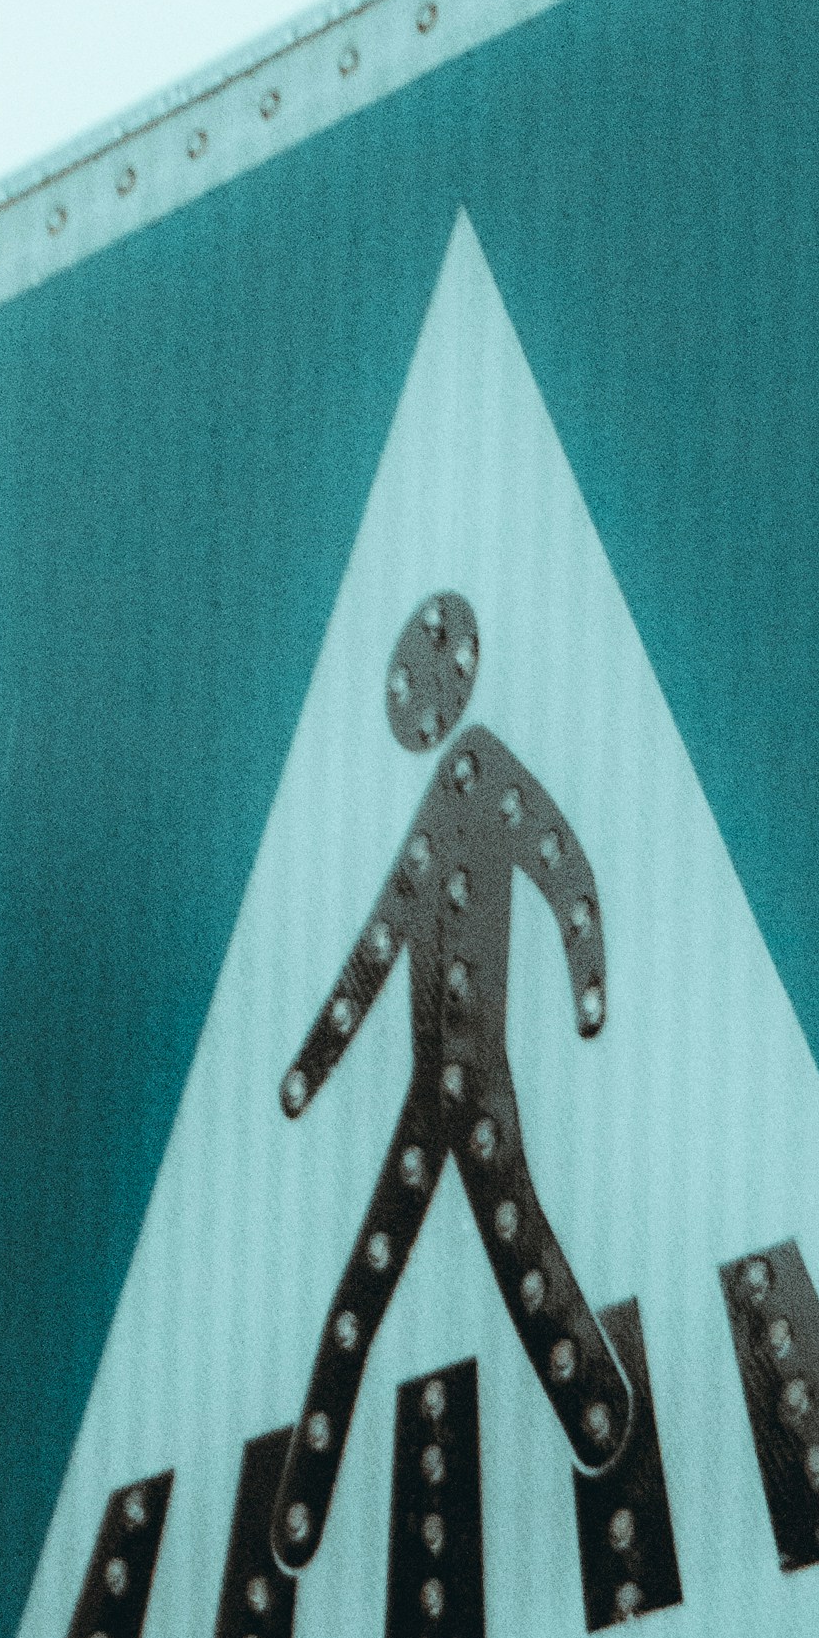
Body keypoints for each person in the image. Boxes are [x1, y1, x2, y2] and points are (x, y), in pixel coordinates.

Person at [266, 585, 630, 1572]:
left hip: (478, 1079)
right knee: (373, 1278)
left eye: (423, 682)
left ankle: (599, 1413)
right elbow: (375, 953)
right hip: (435, 1090)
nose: (417, 709)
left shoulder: (484, 772)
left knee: (503, 1257)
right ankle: (301, 1505)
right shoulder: (437, 808)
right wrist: (307, 1073)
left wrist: (588, 992)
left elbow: (568, 873)